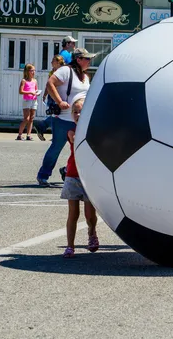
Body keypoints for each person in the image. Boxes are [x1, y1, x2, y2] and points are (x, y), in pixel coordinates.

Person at [36, 48, 94, 187]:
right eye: (87, 58)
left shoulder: (85, 77)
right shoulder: (65, 71)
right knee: (56, 147)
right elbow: (50, 83)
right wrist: (59, 101)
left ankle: (67, 170)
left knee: (82, 149)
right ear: (78, 59)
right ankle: (43, 176)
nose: (89, 61)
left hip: (80, 119)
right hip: (63, 118)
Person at [61, 95, 99, 258]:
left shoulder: (94, 131)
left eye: (81, 112)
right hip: (72, 175)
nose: (77, 115)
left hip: (89, 178)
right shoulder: (72, 132)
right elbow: (76, 140)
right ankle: (70, 246)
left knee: (90, 215)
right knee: (73, 214)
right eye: (75, 112)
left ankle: (92, 233)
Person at [34, 55, 65, 141]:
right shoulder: (52, 72)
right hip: (55, 96)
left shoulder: (63, 71)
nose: (51, 62)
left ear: (58, 62)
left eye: (53, 61)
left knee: (57, 115)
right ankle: (47, 129)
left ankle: (43, 126)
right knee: (56, 114)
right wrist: (45, 94)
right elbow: (49, 85)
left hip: (59, 95)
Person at [16, 64, 39, 141]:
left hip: (34, 100)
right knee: (26, 118)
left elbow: (36, 89)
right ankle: (19, 134)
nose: (33, 72)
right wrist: (30, 92)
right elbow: (20, 91)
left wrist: (36, 93)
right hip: (27, 100)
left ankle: (29, 134)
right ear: (28, 71)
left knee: (32, 118)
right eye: (32, 70)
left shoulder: (35, 81)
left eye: (34, 70)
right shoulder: (24, 81)